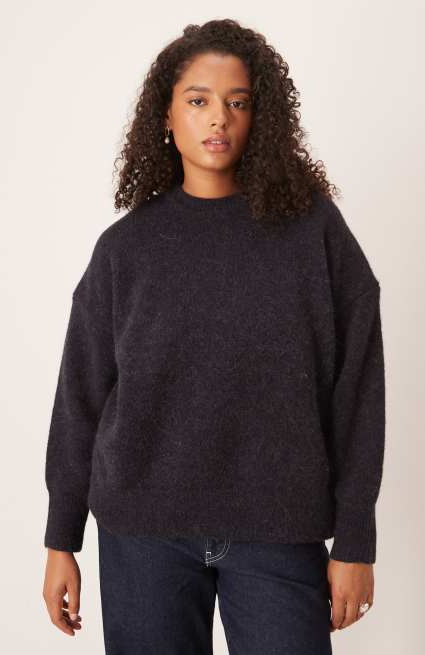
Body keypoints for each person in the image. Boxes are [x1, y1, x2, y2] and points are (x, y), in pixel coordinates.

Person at [42, 18, 385, 654]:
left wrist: (355, 539)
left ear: (261, 119)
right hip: (143, 534)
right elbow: (80, 397)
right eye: (198, 101)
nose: (218, 118)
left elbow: (358, 388)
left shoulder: (313, 234)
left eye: (238, 102)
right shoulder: (126, 249)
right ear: (167, 117)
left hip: (280, 529)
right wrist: (62, 537)